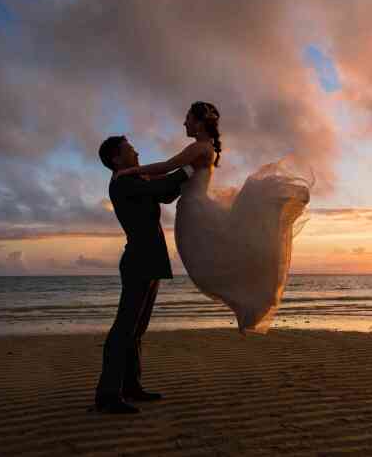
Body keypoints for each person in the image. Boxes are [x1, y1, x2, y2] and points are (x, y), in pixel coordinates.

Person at [114, 101, 311, 334]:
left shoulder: (200, 148)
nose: (184, 122)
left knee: (211, 265)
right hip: (190, 207)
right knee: (211, 264)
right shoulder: (205, 148)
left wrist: (133, 171)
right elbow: (173, 179)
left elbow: (167, 166)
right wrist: (148, 180)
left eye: (187, 118)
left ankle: (247, 300)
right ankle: (244, 298)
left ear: (198, 123)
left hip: (194, 210)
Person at [95, 135, 195, 414]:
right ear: (116, 158)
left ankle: (130, 387)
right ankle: (107, 395)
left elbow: (164, 193)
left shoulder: (134, 180)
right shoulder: (124, 181)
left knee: (136, 331)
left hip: (147, 261)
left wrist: (187, 172)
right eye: (130, 149)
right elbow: (164, 186)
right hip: (139, 261)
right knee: (124, 330)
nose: (137, 152)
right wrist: (190, 167)